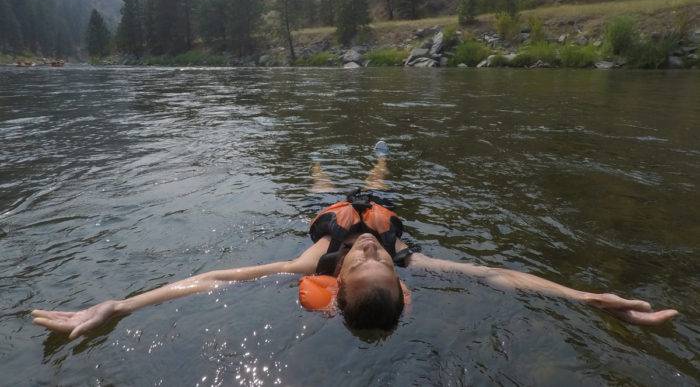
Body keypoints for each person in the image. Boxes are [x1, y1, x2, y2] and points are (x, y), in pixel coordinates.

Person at [32, 142, 678, 339]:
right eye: (376, 259)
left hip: (331, 209)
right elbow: (502, 275)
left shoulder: (315, 257)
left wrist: (119, 305)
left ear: (333, 282)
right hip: (372, 204)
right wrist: (586, 295)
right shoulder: (406, 256)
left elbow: (212, 281)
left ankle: (341, 163)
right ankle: (373, 161)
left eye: (364, 259)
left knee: (329, 183)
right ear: (403, 284)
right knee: (376, 180)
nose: (369, 251)